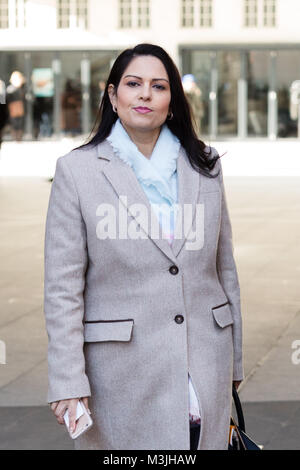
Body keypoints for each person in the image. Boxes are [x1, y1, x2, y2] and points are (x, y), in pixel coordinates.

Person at [44, 43, 244, 451]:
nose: (145, 94)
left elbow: (225, 267)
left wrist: (234, 358)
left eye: (159, 86)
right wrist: (67, 379)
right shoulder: (77, 171)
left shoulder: (205, 164)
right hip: (120, 373)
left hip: (204, 359)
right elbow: (63, 287)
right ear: (113, 96)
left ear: (172, 102)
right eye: (133, 84)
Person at [6, 71, 26, 142]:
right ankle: (15, 137)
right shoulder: (11, 89)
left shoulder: (21, 88)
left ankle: (18, 137)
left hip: (19, 106)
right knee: (14, 122)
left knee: (19, 122)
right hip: (13, 106)